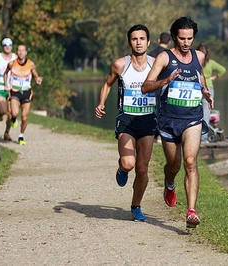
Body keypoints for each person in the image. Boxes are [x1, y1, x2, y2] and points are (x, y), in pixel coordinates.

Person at [141, 17, 213, 228]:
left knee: (190, 162)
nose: (186, 42)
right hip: (168, 120)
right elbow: (146, 87)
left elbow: (199, 78)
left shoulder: (198, 56)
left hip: (192, 118)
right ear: (174, 37)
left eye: (190, 38)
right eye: (182, 38)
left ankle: (191, 211)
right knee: (174, 165)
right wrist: (166, 80)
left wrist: (205, 91)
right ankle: (169, 183)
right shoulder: (164, 58)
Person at [94, 25, 157, 222]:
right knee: (129, 163)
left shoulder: (156, 65)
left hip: (148, 119)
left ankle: (136, 206)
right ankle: (122, 169)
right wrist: (101, 103)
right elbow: (107, 84)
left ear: (148, 42)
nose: (138, 42)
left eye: (142, 38)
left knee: (142, 168)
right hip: (127, 119)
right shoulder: (121, 64)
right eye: (134, 39)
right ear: (129, 42)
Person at [3, 44, 43, 145]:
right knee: (14, 113)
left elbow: (35, 74)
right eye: (19, 51)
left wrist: (37, 79)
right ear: (16, 52)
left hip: (26, 92)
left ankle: (21, 136)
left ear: (26, 52)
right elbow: (5, 73)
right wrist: (6, 84)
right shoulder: (12, 64)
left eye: (23, 51)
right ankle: (13, 119)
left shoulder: (30, 64)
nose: (21, 52)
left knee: (24, 117)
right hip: (15, 92)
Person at [196, 42, 226, 143]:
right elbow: (222, 70)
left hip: (196, 86)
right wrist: (214, 77)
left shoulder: (195, 61)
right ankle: (203, 138)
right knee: (206, 113)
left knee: (194, 112)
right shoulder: (211, 62)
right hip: (208, 86)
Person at [149, 32, 171, 144]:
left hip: (153, 86)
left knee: (153, 110)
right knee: (164, 111)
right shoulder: (169, 55)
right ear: (170, 42)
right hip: (166, 87)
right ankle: (161, 135)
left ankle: (152, 133)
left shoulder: (152, 53)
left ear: (159, 40)